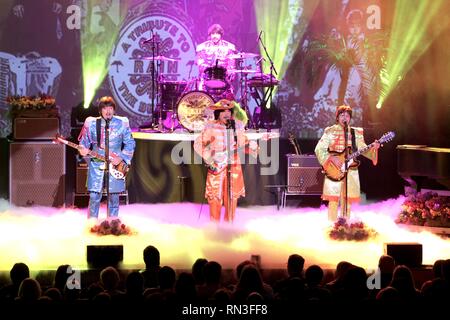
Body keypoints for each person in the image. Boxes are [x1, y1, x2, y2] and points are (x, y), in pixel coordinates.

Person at [194, 99, 258, 222]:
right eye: (223, 111)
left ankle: (229, 227)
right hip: (216, 166)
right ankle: (214, 228)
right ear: (218, 113)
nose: (227, 113)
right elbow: (198, 144)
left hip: (233, 167)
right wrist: (209, 158)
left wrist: (253, 147)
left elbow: (243, 145)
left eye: (229, 110)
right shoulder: (211, 127)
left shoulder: (236, 126)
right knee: (215, 197)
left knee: (232, 198)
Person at [314, 105, 379, 221]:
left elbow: (363, 148)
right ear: (337, 117)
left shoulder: (355, 132)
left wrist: (374, 148)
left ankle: (346, 225)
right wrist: (332, 158)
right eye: (342, 115)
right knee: (333, 200)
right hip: (334, 169)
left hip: (351, 169)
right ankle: (332, 226)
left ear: (350, 118)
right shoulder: (330, 131)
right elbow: (319, 149)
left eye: (347, 115)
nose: (345, 117)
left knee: (347, 200)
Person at [78, 96, 135, 219]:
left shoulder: (122, 124)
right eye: (105, 108)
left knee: (114, 197)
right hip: (97, 164)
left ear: (114, 110)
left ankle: (113, 223)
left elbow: (130, 143)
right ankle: (92, 225)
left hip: (115, 165)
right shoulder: (93, 124)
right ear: (100, 111)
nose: (108, 111)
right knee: (94, 196)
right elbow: (84, 143)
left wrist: (120, 158)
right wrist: (82, 149)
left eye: (110, 108)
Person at [195, 24, 237, 95]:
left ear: (221, 35)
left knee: (230, 96)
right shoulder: (202, 47)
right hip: (207, 77)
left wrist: (230, 73)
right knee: (201, 93)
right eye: (213, 33)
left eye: (217, 33)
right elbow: (200, 63)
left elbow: (231, 64)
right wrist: (208, 69)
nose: (215, 36)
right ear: (210, 35)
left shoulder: (229, 47)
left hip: (223, 77)